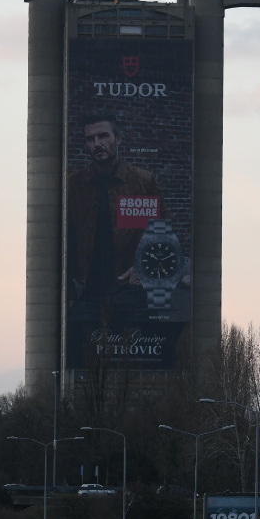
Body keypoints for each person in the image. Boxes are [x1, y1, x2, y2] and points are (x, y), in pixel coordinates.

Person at [66, 115, 161, 347]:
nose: (97, 143)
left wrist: (142, 269)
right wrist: (68, 287)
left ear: (118, 139)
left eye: (103, 136)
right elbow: (65, 237)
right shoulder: (74, 184)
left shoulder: (142, 181)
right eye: (90, 139)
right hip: (86, 292)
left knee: (138, 362)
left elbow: (162, 233)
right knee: (82, 362)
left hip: (129, 291)